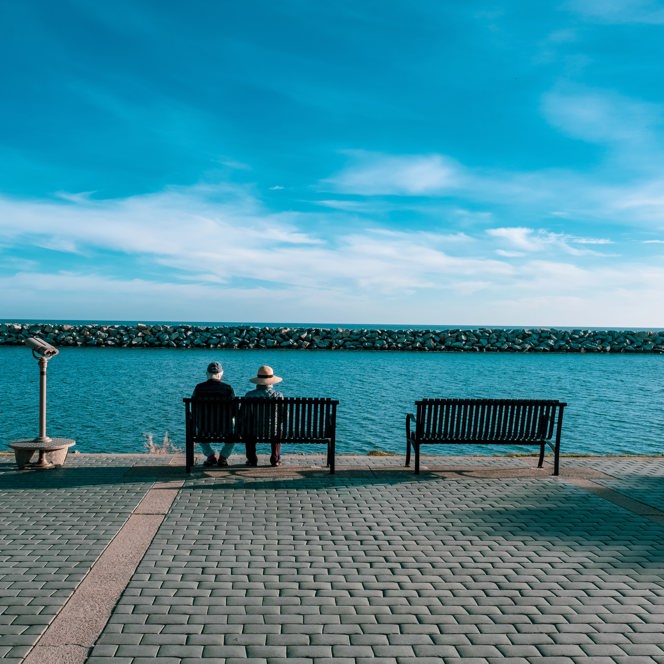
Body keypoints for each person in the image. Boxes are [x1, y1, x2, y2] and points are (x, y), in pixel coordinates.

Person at [192, 361, 236, 467]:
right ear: (221, 374)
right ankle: (223, 458)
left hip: (204, 429)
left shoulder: (199, 388)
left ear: (207, 374)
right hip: (225, 429)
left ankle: (210, 456)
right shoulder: (228, 388)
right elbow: (234, 410)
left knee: (198, 428)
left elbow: (193, 408)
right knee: (234, 430)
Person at [242, 365, 284, 467]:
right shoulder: (278, 396)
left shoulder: (249, 395)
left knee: (249, 428)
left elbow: (243, 415)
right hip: (273, 431)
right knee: (277, 429)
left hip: (253, 431)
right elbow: (283, 416)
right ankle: (275, 459)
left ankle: (252, 459)